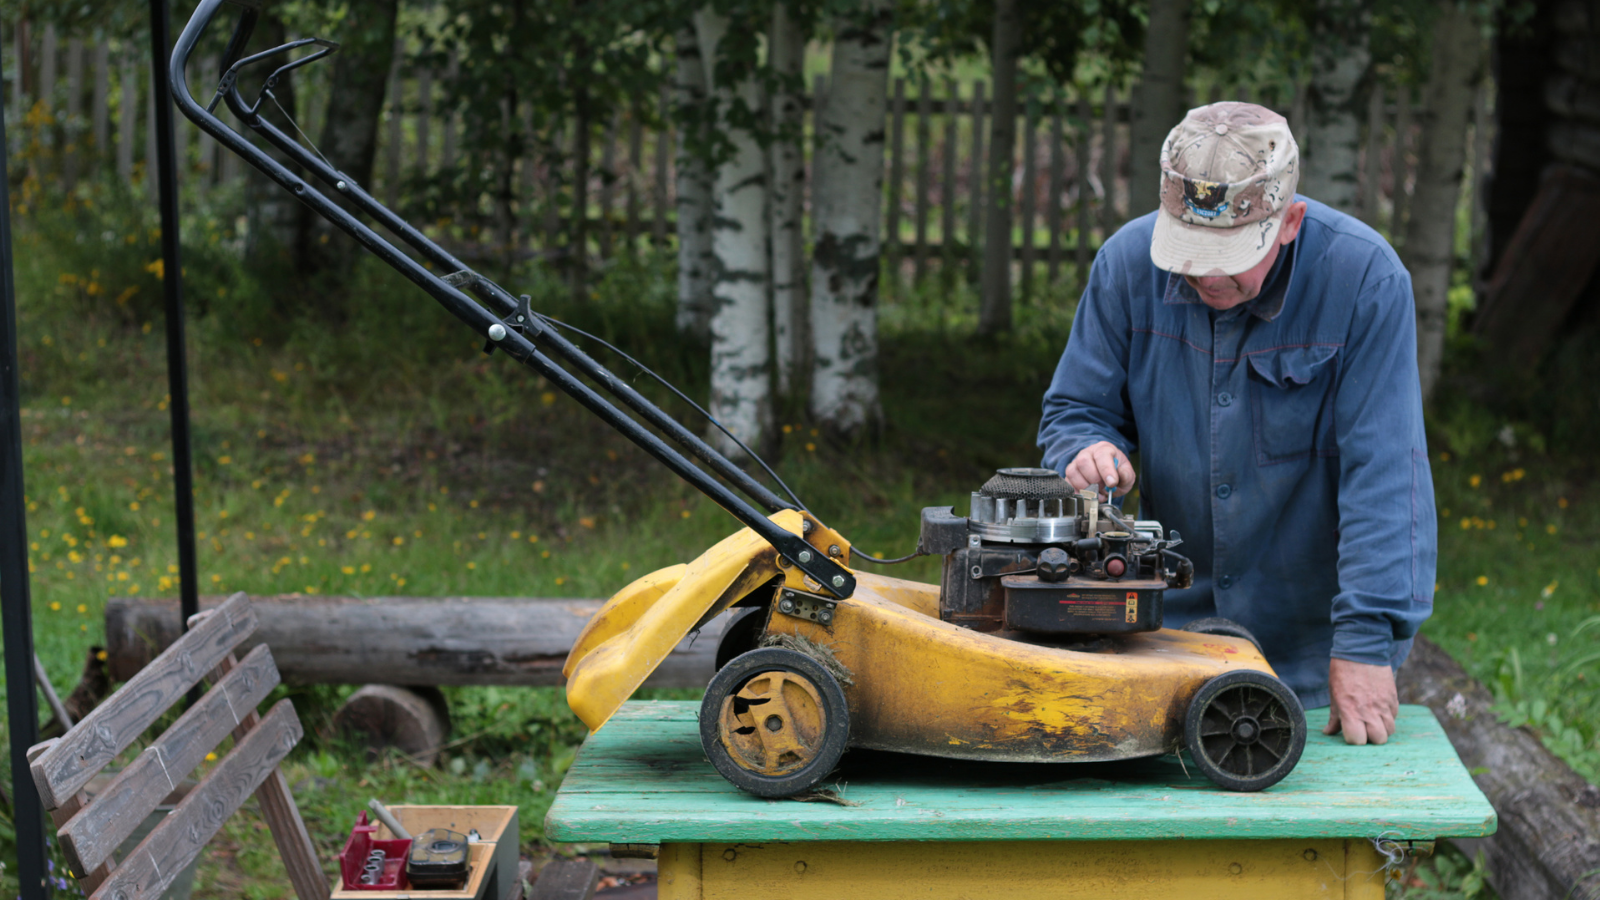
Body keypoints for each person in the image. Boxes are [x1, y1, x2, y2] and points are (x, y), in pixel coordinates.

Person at [1037, 102, 1437, 746]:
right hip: (1156, 635)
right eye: (1190, 253)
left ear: (1290, 222)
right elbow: (1075, 410)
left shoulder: (1364, 279)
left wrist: (1365, 642)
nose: (1205, 275)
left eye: (1227, 254)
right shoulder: (1125, 265)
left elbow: (1387, 474)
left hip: (1311, 651)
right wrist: (1085, 447)